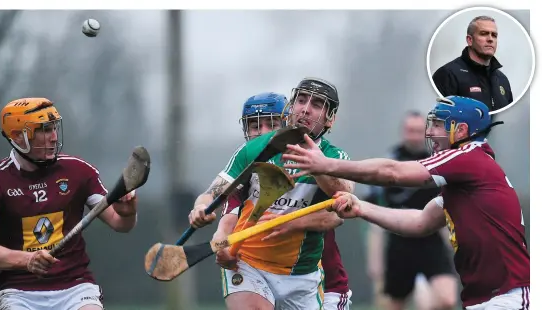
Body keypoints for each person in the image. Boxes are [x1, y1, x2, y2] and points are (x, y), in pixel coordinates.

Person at [282, 96, 530, 309]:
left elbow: (393, 173)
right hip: (485, 298)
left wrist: (327, 165)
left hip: (508, 295)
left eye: (439, 125)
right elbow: (420, 221)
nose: (430, 132)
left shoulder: (469, 158)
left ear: (462, 130)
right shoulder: (462, 182)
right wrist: (362, 208)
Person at [189, 78, 354, 310]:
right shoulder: (254, 149)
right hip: (249, 265)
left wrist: (318, 168)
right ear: (290, 107)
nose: (306, 108)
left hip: (301, 276)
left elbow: (343, 205)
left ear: (330, 118)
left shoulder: (335, 157)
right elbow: (214, 193)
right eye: (301, 100)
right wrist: (200, 208)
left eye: (317, 104)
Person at [0, 98, 138, 310]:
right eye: (44, 130)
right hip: (20, 293)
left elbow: (120, 224)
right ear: (18, 136)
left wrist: (128, 213)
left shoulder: (78, 171)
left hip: (75, 288)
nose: (54, 137)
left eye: (54, 128)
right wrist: (26, 260)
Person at [365, 111, 457, 310]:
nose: (414, 136)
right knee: (391, 304)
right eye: (409, 131)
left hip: (431, 242)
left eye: (418, 131)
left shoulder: (438, 162)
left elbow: (449, 205)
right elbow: (375, 216)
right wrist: (375, 260)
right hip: (399, 242)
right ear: (402, 132)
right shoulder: (389, 164)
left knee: (447, 299)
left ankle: (423, 289)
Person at [432, 15, 513, 112]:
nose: (490, 39)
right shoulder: (448, 74)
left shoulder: (502, 80)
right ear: (470, 40)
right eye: (484, 34)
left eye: (494, 35)